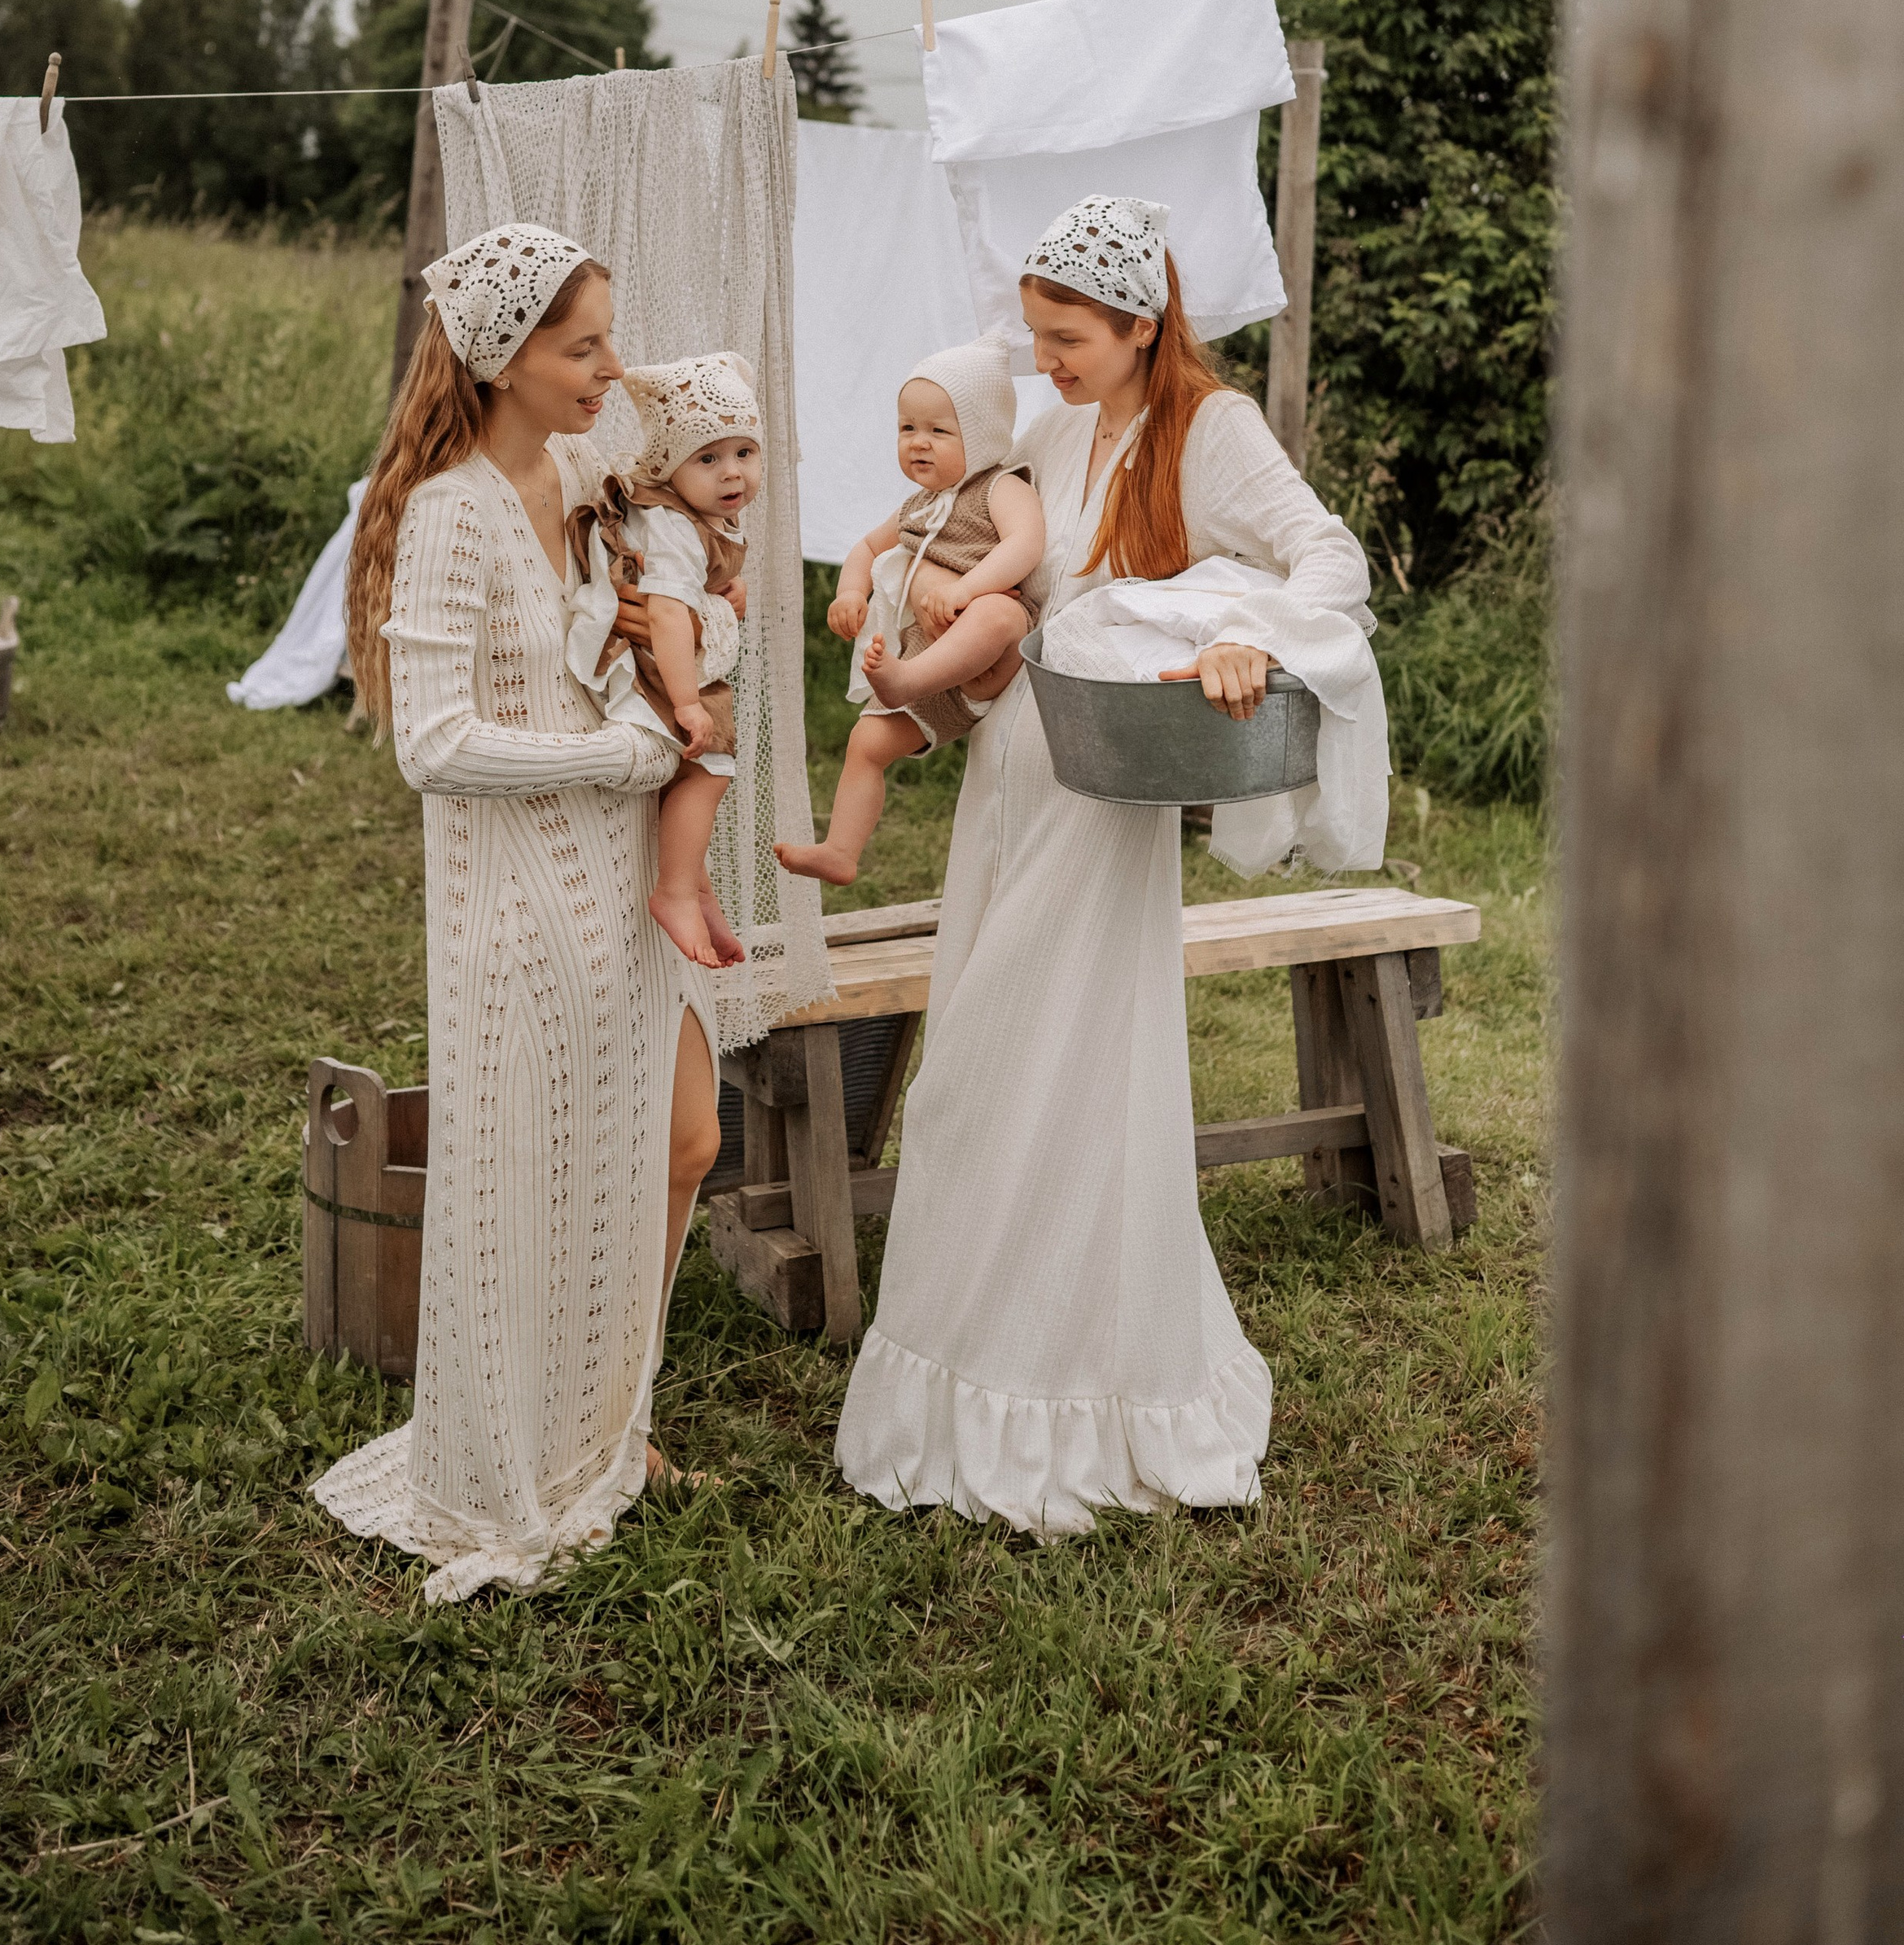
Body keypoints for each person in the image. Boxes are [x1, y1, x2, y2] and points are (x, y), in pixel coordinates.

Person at [836, 193, 1373, 1537]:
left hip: (1104, 791)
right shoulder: (1053, 432)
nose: (1046, 361)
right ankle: (960, 1363)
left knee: (1061, 1070)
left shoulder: (1214, 430)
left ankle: (1076, 1385)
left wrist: (1244, 635)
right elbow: (979, 550)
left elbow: (1330, 560)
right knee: (972, 1067)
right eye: (1035, 337)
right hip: (1011, 772)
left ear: (1142, 323)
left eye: (1067, 338)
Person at [313, 222, 720, 1601]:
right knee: (534, 1179)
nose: (610, 369)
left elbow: (676, 533)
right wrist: (616, 757)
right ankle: (519, 1459)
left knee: (646, 1152)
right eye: (583, 347)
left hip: (621, 879)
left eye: (609, 341)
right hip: (521, 902)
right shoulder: (451, 514)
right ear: (502, 357)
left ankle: (604, 1428)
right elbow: (433, 746)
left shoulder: (581, 473)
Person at [776, 335, 1044, 890]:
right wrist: (850, 594)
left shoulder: (998, 486)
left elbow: (1026, 543)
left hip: (992, 644)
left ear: (982, 434)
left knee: (998, 612)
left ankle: (905, 680)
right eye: (907, 428)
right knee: (866, 745)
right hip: (938, 666)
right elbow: (866, 549)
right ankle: (840, 851)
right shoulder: (915, 507)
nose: (919, 442)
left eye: (939, 431)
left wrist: (968, 588)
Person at [566, 351, 764, 970]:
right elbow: (669, 614)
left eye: (744, 452)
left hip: (667, 657)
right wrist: (686, 703)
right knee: (710, 767)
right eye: (707, 459)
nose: (731, 473)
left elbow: (698, 586)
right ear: (670, 465)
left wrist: (727, 592)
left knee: (693, 778)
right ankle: (675, 890)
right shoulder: (673, 525)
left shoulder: (696, 513)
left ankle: (695, 887)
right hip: (657, 664)